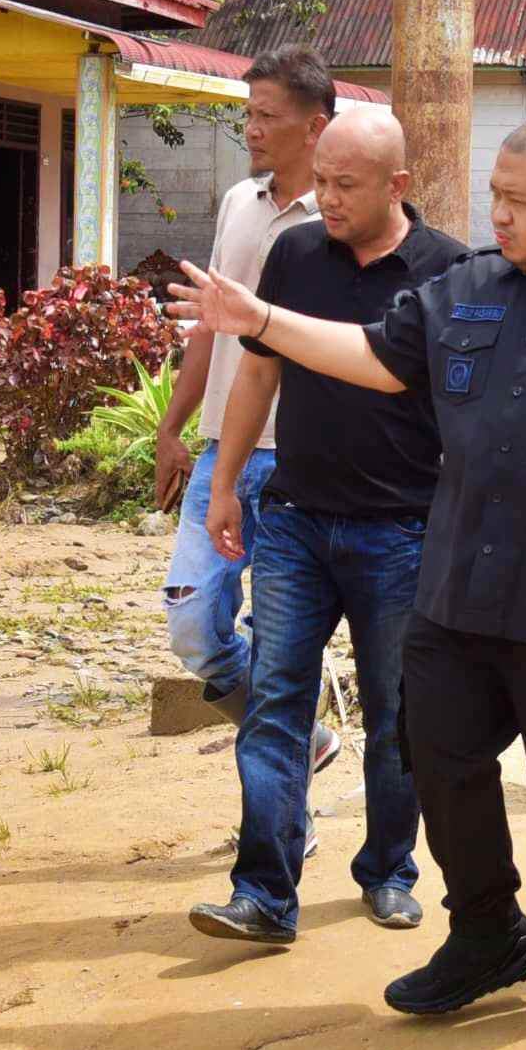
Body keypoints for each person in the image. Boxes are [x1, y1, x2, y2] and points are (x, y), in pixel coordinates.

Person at [175, 115, 526, 1044]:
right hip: (458, 593)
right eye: (495, 200)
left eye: (519, 203)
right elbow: (375, 359)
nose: (499, 218)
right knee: (434, 759)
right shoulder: (467, 285)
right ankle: (488, 929)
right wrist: (261, 321)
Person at [190, 108, 466, 946]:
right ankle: (264, 894)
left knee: (397, 714)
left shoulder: (449, 269)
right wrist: (228, 481)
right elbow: (258, 372)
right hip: (295, 522)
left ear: (399, 185)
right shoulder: (296, 253)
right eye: (322, 181)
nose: (327, 198)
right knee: (276, 701)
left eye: (347, 185)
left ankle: (388, 869)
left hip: (403, 532)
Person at [153, 48, 332, 707]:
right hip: (222, 451)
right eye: (247, 114)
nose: (251, 129)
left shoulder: (342, 219)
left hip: (304, 458)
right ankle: (285, 719)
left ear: (315, 126)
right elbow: (211, 324)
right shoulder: (237, 202)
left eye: (267, 115)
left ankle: (281, 735)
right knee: (192, 617)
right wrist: (171, 427)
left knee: (282, 629)